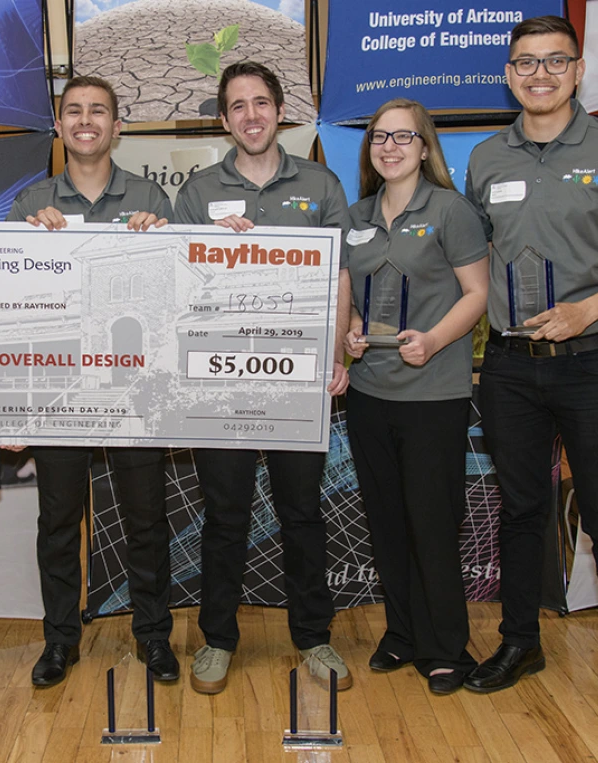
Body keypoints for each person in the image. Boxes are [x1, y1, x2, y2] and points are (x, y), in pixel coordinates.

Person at [462, 16, 598, 728]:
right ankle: (520, 641)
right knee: (521, 512)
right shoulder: (485, 158)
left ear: (579, 70)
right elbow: (470, 262)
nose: (539, 75)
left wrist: (588, 311)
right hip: (508, 368)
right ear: (508, 74)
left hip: (594, 366)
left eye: (555, 61)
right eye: (525, 63)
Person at [174, 61, 352, 695]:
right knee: (225, 515)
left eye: (261, 103)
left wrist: (337, 356)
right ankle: (218, 638)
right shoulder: (197, 192)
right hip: (223, 383)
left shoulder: (321, 183)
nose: (250, 115)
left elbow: (338, 278)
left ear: (280, 111)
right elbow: (180, 286)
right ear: (224, 120)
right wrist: (213, 254)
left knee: (303, 512)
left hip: (298, 382)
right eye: (237, 106)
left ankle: (314, 636)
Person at [6, 75, 178, 687]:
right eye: (73, 111)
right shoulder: (31, 205)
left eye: (98, 111)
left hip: (133, 388)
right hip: (59, 393)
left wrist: (166, 243)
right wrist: (29, 243)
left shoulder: (152, 196)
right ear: (58, 126)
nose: (86, 120)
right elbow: (10, 306)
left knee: (146, 519)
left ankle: (153, 636)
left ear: (117, 125)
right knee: (57, 522)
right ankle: (59, 641)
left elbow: (182, 290)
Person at [341, 99, 488, 695]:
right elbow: (347, 297)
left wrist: (432, 340)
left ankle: (446, 646)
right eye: (380, 136)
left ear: (426, 147)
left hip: (434, 393)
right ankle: (400, 634)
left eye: (404, 136)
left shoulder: (452, 211)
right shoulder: (355, 216)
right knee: (387, 522)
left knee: (432, 521)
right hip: (371, 393)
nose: (391, 146)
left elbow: (477, 294)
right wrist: (349, 334)